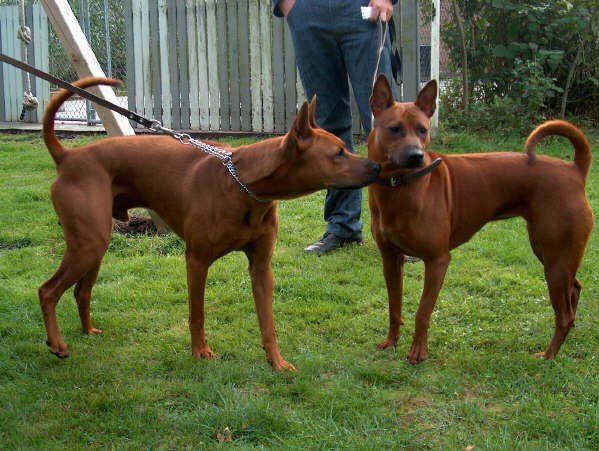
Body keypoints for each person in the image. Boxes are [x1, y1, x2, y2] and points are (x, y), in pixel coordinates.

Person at [272, 0, 399, 254]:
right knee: (328, 124)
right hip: (307, 12)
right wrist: (289, 6)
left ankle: (401, 227)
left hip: (362, 9)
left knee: (385, 121)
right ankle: (343, 225)